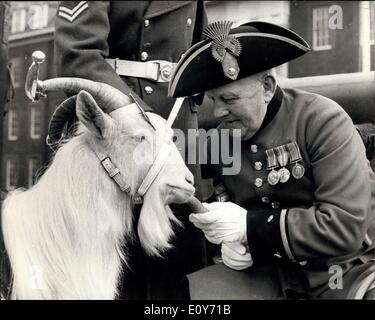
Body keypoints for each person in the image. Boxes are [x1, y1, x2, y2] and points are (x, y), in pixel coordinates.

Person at [168, 20, 375, 299]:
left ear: (267, 87)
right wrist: (233, 242)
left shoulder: (322, 122)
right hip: (270, 273)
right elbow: (175, 164)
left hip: (346, 272)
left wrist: (250, 230)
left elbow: (343, 226)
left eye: (229, 99)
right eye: (213, 100)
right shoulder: (221, 140)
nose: (218, 112)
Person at [54, 1, 208, 299]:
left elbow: (204, 54)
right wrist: (144, 124)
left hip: (181, 132)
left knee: (179, 276)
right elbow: (80, 57)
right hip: (123, 135)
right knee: (121, 277)